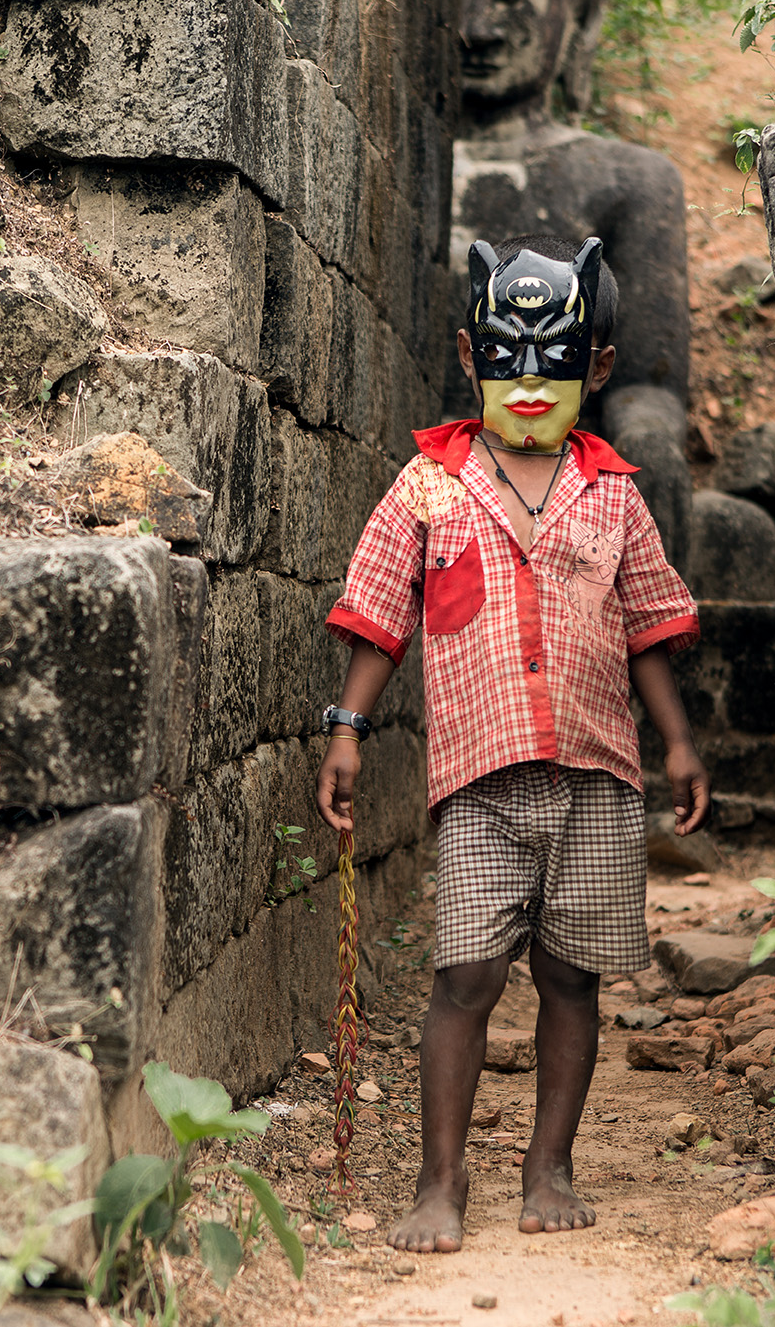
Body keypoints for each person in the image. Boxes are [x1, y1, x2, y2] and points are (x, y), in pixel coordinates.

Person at [315, 235, 710, 1253]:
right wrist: (348, 729)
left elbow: (649, 627)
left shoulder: (613, 492)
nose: (529, 383)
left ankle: (550, 1165)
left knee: (571, 975)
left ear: (600, 368)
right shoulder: (428, 485)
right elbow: (376, 613)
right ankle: (438, 1183)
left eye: (554, 362)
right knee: (467, 976)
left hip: (597, 774)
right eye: (506, 360)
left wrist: (676, 746)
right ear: (469, 354)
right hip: (480, 779)